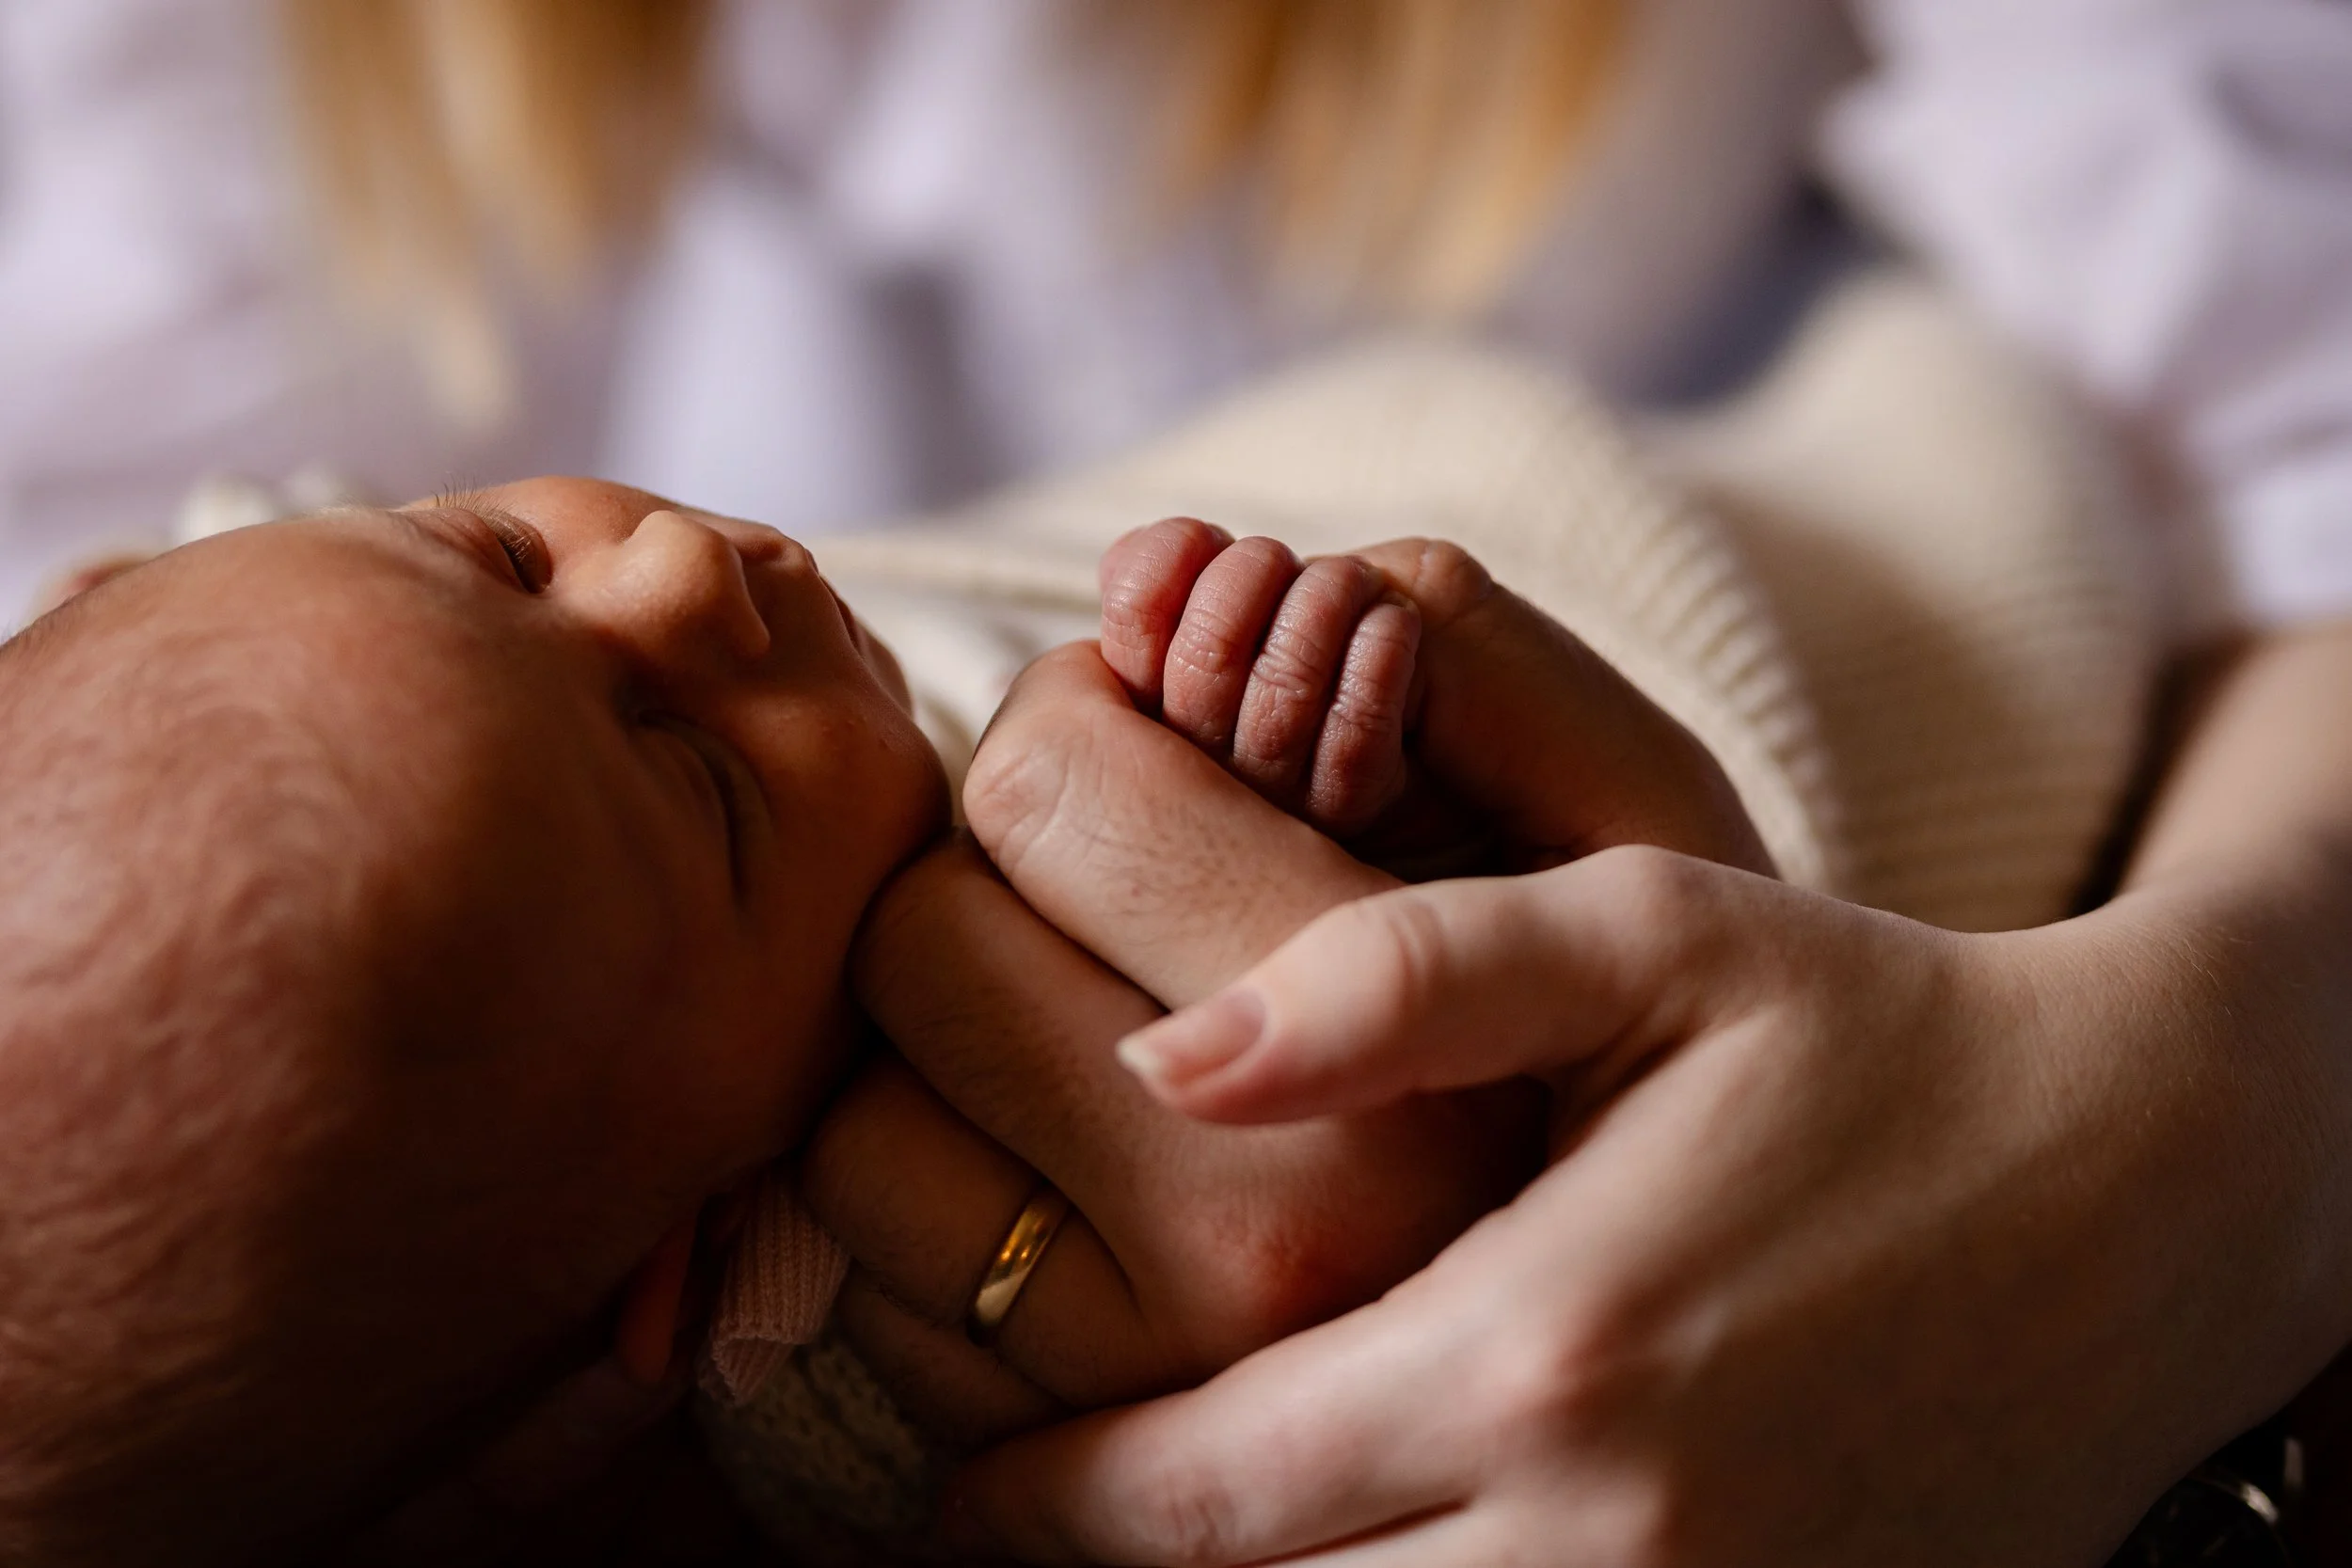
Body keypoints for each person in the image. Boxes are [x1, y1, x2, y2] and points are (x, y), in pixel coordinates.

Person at [0, 472, 1753, 1559]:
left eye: (500, 548)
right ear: (687, 1265)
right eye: (697, 784)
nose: (680, 563)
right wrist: (1321, 770)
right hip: (1804, 705)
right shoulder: (907, 1347)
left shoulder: (281, 637)